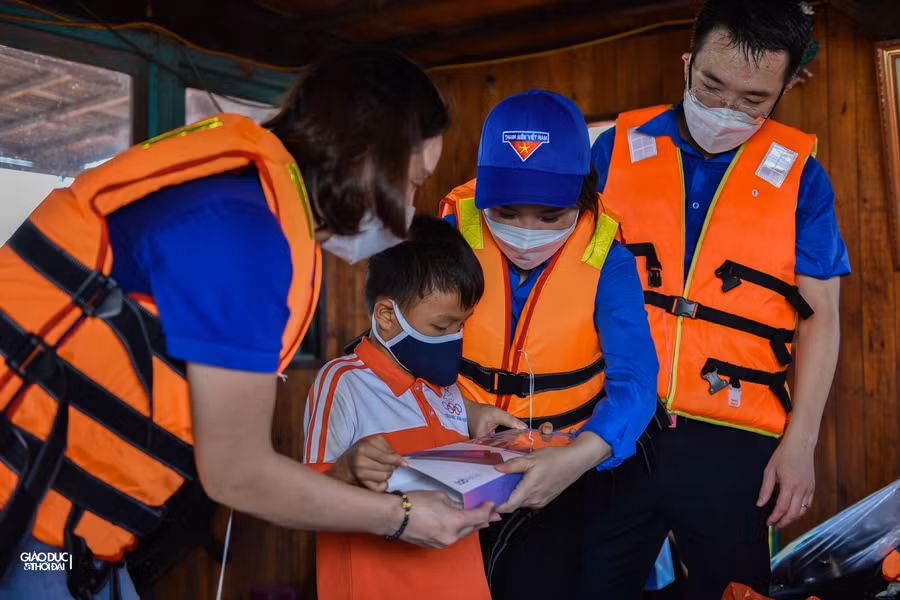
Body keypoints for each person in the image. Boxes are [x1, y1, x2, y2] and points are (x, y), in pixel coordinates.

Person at [0, 48, 496, 600]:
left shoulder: (238, 190)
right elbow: (237, 473)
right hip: (26, 539)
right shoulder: (243, 232)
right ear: (364, 159)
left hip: (64, 538)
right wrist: (401, 516)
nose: (408, 212)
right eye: (411, 183)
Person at [587, 1, 849, 598]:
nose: (727, 109)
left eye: (754, 99)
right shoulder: (613, 151)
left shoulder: (803, 177)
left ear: (785, 88)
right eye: (711, 85)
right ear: (687, 63)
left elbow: (823, 317)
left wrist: (801, 443)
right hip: (613, 424)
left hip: (735, 442)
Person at [439, 89, 663, 599]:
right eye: (506, 212)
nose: (526, 233)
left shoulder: (609, 259)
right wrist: (461, 412)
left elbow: (636, 380)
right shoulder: (450, 238)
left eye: (549, 217)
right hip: (456, 458)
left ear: (582, 198)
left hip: (568, 459)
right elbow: (402, 351)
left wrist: (579, 456)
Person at [304, 215, 523, 600]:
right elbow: (305, 499)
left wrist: (507, 448)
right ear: (387, 316)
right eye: (441, 327)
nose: (453, 338)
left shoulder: (448, 389)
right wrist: (348, 469)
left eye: (462, 325)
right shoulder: (343, 383)